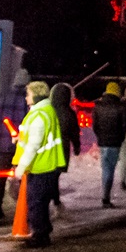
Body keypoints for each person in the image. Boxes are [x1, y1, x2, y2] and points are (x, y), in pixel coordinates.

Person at [12, 80, 65, 248]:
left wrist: (20, 168)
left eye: (28, 94)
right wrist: (20, 138)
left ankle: (40, 236)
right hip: (48, 165)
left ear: (36, 96)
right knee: (40, 202)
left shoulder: (39, 115)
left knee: (36, 202)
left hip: (41, 166)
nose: (26, 98)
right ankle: (43, 231)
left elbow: (33, 146)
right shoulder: (46, 111)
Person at [0, 68, 31, 222]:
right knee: (23, 176)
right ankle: (23, 207)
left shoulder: (4, 98)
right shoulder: (26, 100)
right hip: (20, 146)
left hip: (3, 144)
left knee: (1, 176)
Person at [91, 82, 126, 208]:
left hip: (103, 142)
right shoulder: (121, 107)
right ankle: (105, 198)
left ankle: (105, 195)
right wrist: (120, 138)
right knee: (110, 170)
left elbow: (95, 126)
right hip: (115, 143)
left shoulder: (98, 106)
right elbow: (124, 126)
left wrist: (100, 136)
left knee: (105, 168)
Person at [48, 83, 80, 213]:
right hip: (62, 148)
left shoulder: (48, 111)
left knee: (50, 175)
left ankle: (53, 199)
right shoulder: (69, 113)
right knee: (55, 175)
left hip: (49, 147)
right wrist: (77, 146)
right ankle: (55, 200)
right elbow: (74, 132)